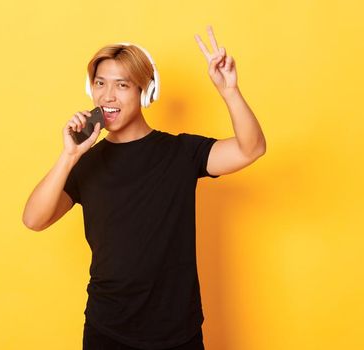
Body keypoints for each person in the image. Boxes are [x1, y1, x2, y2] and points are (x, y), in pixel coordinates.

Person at [21, 26, 266, 350]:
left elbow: (251, 149)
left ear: (146, 91)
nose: (108, 96)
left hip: (178, 332)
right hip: (107, 330)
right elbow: (34, 220)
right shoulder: (85, 163)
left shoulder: (181, 153)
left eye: (122, 85)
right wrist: (69, 156)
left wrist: (230, 91)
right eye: (100, 84)